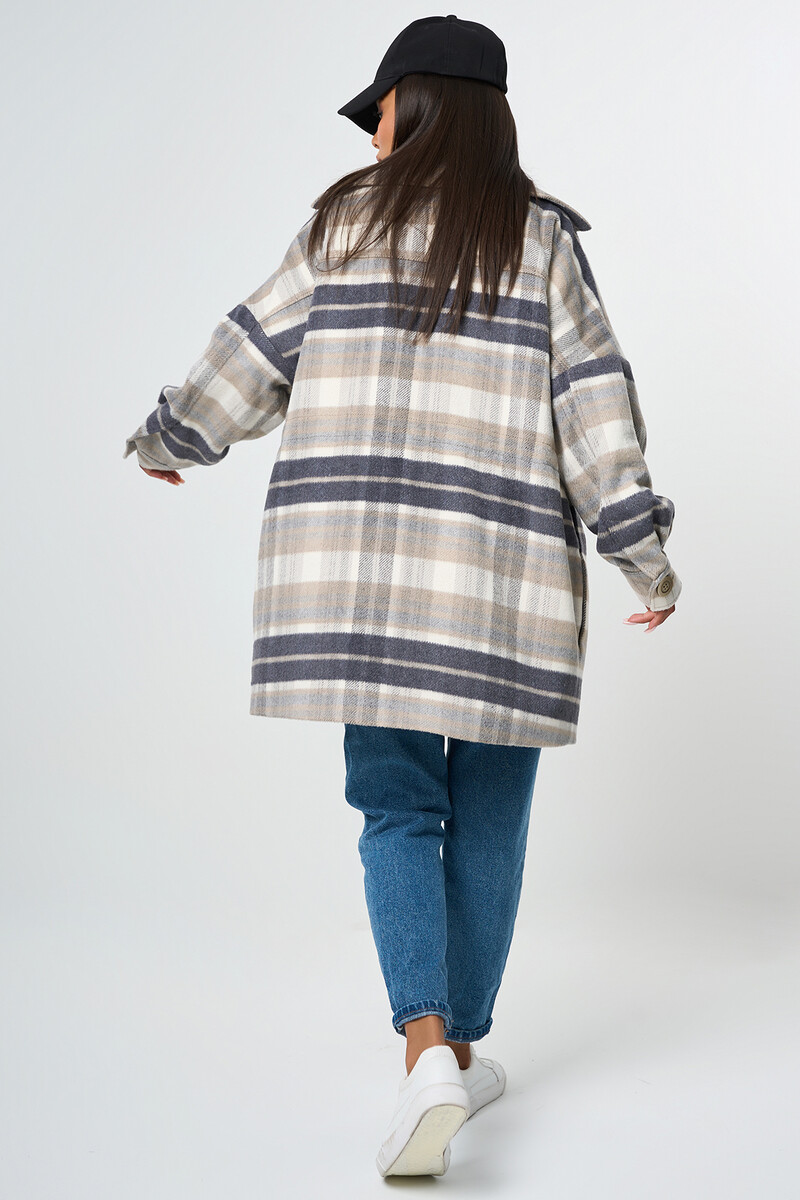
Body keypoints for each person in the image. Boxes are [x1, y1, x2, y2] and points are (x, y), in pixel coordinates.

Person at [122, 14, 681, 1180]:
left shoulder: (342, 225)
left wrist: (171, 437)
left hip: (358, 585)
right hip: (502, 584)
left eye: (376, 111)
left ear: (415, 107)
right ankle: (456, 1051)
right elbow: (595, 409)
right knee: (489, 817)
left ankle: (428, 1054)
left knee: (394, 811)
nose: (371, 133)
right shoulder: (539, 240)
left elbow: (249, 354)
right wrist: (642, 553)